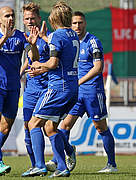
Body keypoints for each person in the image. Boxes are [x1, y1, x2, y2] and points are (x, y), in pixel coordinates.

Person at [46, 11, 117, 173]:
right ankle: (60, 158)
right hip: (75, 94)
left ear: (85, 23)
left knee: (100, 127)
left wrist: (79, 81)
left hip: (92, 91)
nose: (77, 26)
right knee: (64, 126)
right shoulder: (69, 42)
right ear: (70, 25)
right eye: (74, 23)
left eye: (80, 23)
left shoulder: (93, 41)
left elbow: (98, 68)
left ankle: (111, 164)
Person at [0, 6, 39, 176]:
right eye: (6, 16)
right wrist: (4, 38)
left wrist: (33, 46)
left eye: (12, 15)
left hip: (13, 86)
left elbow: (33, 59)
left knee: (6, 128)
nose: (10, 18)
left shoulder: (22, 36)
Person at [28, 1, 79, 177]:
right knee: (50, 127)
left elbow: (53, 62)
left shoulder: (57, 35)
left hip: (59, 87)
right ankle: (63, 167)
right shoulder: (72, 34)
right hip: (73, 88)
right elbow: (61, 50)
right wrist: (43, 38)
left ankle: (40, 165)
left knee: (33, 123)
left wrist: (38, 65)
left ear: (54, 19)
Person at [19, 2, 50, 177]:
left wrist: (35, 45)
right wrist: (20, 73)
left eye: (33, 18)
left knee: (49, 129)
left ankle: (67, 151)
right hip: (30, 89)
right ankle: (36, 165)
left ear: (39, 18)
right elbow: (29, 60)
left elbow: (37, 58)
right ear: (23, 20)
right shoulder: (26, 37)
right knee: (27, 127)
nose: (30, 21)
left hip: (47, 89)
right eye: (27, 19)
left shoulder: (48, 37)